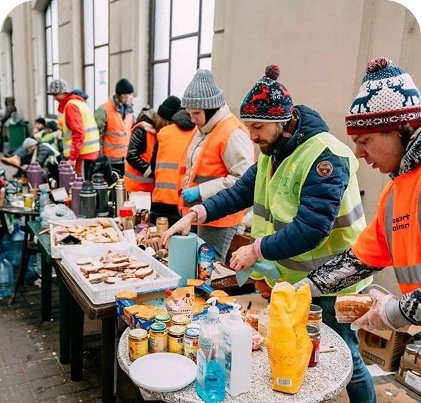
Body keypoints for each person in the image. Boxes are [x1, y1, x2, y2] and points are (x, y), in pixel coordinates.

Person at [162, 65, 375, 402]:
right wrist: (195, 214)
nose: (252, 136)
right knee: (296, 351)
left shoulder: (325, 156)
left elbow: (313, 229)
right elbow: (239, 193)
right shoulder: (271, 152)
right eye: (248, 127)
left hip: (336, 281)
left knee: (346, 357)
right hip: (296, 279)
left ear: (282, 121)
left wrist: (257, 249)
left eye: (258, 127)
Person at [294, 57, 421, 333]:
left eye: (365, 141)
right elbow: (360, 260)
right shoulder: (396, 189)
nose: (359, 154)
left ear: (401, 128)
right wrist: (305, 288)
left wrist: (396, 312)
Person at [174, 69, 254, 263]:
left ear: (211, 108)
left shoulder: (232, 133)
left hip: (220, 218)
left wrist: (200, 190)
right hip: (198, 211)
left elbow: (243, 180)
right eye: (189, 113)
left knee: (207, 265)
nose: (192, 119)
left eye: (196, 114)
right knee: (193, 263)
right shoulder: (203, 129)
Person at [124, 96, 181, 193]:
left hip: (151, 188)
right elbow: (131, 155)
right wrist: (150, 171)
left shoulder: (160, 132)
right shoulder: (143, 129)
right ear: (166, 121)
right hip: (137, 188)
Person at [150, 108, 195, 226]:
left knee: (155, 241)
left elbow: (153, 165)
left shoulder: (163, 133)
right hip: (185, 202)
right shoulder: (198, 135)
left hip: (160, 200)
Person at [47, 78, 100, 178]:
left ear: (64, 92)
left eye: (55, 94)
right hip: (88, 152)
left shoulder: (71, 106)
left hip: (82, 154)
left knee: (81, 187)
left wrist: (72, 158)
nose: (54, 98)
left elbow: (78, 133)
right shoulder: (79, 103)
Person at [95, 78, 135, 176]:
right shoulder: (104, 110)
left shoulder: (130, 111)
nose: (130, 97)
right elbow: (98, 136)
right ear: (120, 95)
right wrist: (100, 159)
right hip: (109, 161)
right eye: (127, 95)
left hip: (125, 160)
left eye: (131, 94)